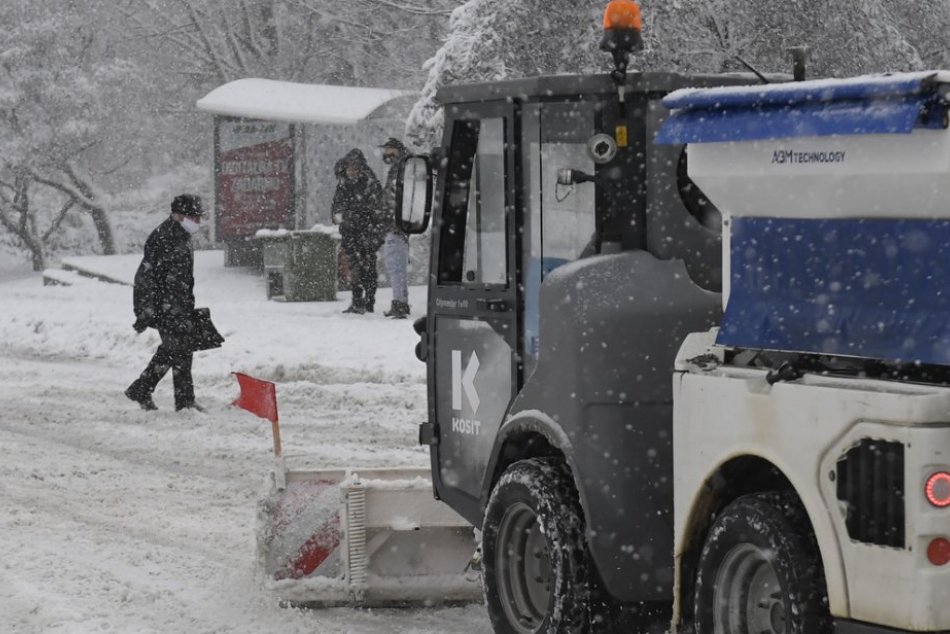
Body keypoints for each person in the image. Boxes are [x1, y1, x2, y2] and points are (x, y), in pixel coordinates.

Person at [125, 194, 206, 411]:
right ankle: (183, 401)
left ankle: (144, 389)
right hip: (164, 306)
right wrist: (146, 310)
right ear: (180, 215)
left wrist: (187, 304)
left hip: (178, 305)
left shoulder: (182, 236)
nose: (197, 222)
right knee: (177, 349)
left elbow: (183, 278)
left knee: (177, 350)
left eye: (199, 217)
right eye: (194, 217)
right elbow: (146, 275)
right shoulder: (163, 236)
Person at [331, 148, 384, 314]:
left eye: (354, 168)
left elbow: (375, 210)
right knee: (354, 267)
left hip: (367, 233)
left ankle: (368, 302)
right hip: (350, 233)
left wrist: (351, 216)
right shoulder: (343, 186)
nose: (351, 172)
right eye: (349, 169)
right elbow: (336, 208)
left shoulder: (371, 185)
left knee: (367, 267)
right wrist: (342, 216)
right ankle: (357, 300)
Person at [379, 137, 411, 319]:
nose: (386, 154)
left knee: (395, 264)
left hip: (397, 224)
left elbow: (394, 198)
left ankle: (399, 303)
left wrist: (388, 216)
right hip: (399, 223)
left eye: (388, 150)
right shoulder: (403, 166)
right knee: (396, 264)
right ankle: (401, 301)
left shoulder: (401, 168)